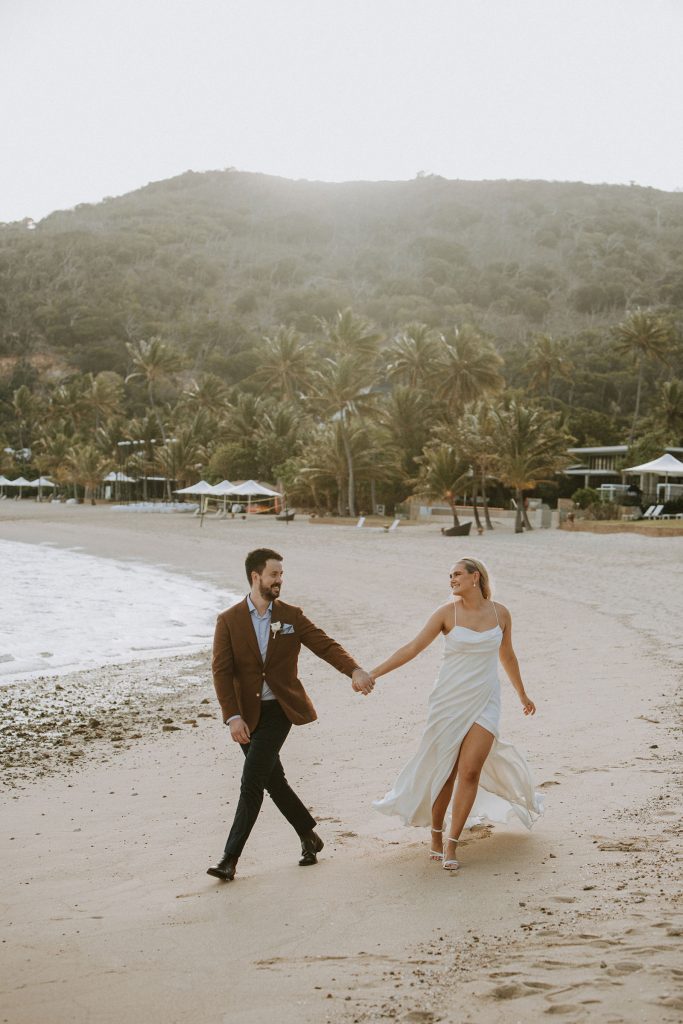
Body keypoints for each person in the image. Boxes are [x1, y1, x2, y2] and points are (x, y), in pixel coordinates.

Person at [207, 547, 374, 882]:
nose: (280, 580)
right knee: (274, 780)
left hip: (280, 710)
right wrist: (233, 716)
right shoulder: (228, 620)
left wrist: (353, 670)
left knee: (251, 779)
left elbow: (324, 644)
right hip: (247, 715)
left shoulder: (291, 616)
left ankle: (229, 859)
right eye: (274, 574)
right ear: (256, 577)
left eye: (281, 574)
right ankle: (309, 835)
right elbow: (221, 672)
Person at [370, 557, 542, 871]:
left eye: (458, 574)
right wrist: (373, 673)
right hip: (448, 701)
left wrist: (522, 693)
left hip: (485, 699)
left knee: (470, 771)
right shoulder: (445, 613)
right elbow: (411, 648)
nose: (452, 580)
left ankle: (452, 841)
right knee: (446, 771)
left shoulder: (500, 613)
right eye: (450, 576)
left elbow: (508, 655)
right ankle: (435, 833)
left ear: (476, 577)